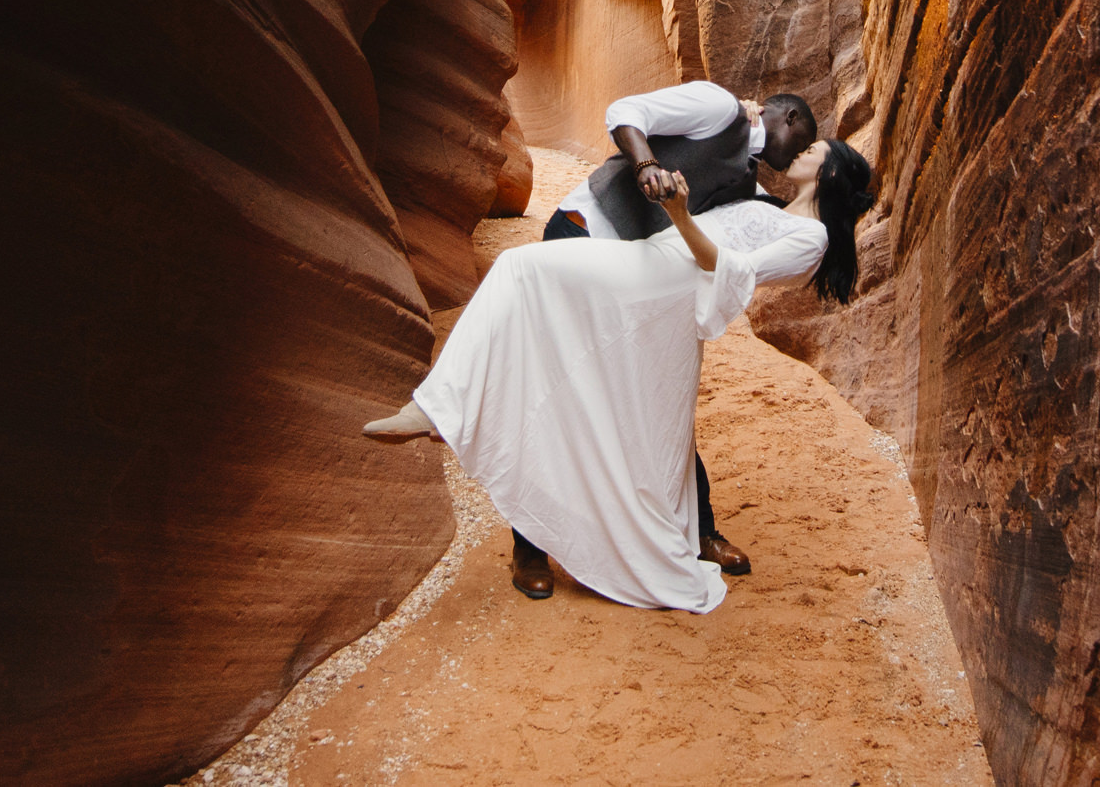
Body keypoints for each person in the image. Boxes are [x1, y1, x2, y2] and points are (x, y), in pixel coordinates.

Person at [363, 139, 873, 613]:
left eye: (813, 149)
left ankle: (440, 409)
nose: (801, 150)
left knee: (518, 269)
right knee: (622, 406)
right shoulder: (768, 205)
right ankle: (446, 412)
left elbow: (727, 272)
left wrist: (677, 213)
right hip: (651, 265)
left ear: (828, 171)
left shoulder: (812, 238)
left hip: (663, 283)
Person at [519, 80, 818, 594]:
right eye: (806, 139)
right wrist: (646, 165)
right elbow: (623, 109)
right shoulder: (719, 106)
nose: (800, 154)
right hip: (584, 233)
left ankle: (699, 530)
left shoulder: (751, 184)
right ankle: (529, 547)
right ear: (786, 117)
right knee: (565, 393)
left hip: (631, 279)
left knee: (660, 403)